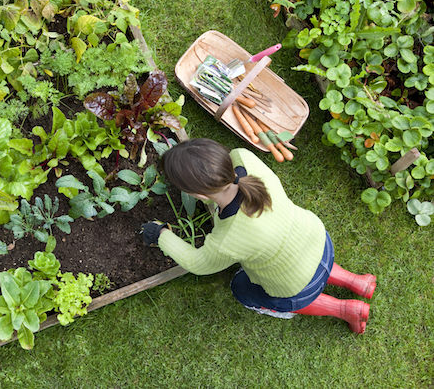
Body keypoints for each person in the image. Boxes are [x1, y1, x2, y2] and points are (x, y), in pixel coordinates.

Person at [140, 138, 376, 333]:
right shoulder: (244, 158)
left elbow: (197, 263)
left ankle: (345, 309)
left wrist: (160, 234)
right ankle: (357, 282)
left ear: (200, 195)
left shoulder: (228, 239)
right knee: (304, 260)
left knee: (241, 288)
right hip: (317, 239)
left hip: (295, 285)